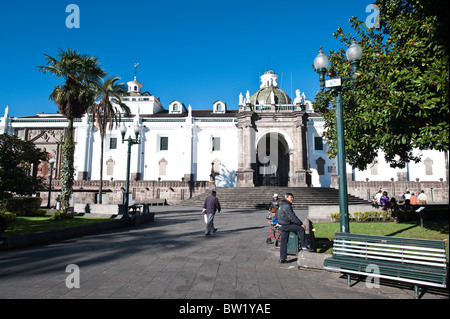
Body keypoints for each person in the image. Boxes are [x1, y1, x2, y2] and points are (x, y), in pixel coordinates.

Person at [276, 193, 312, 263]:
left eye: (292, 197)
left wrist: (280, 222)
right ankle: (304, 246)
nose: (292, 199)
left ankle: (282, 258)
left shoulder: (281, 205)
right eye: (291, 197)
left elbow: (277, 215)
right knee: (301, 229)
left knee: (284, 242)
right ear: (287, 198)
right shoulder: (287, 206)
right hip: (286, 225)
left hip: (282, 226)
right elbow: (292, 217)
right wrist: (301, 224)